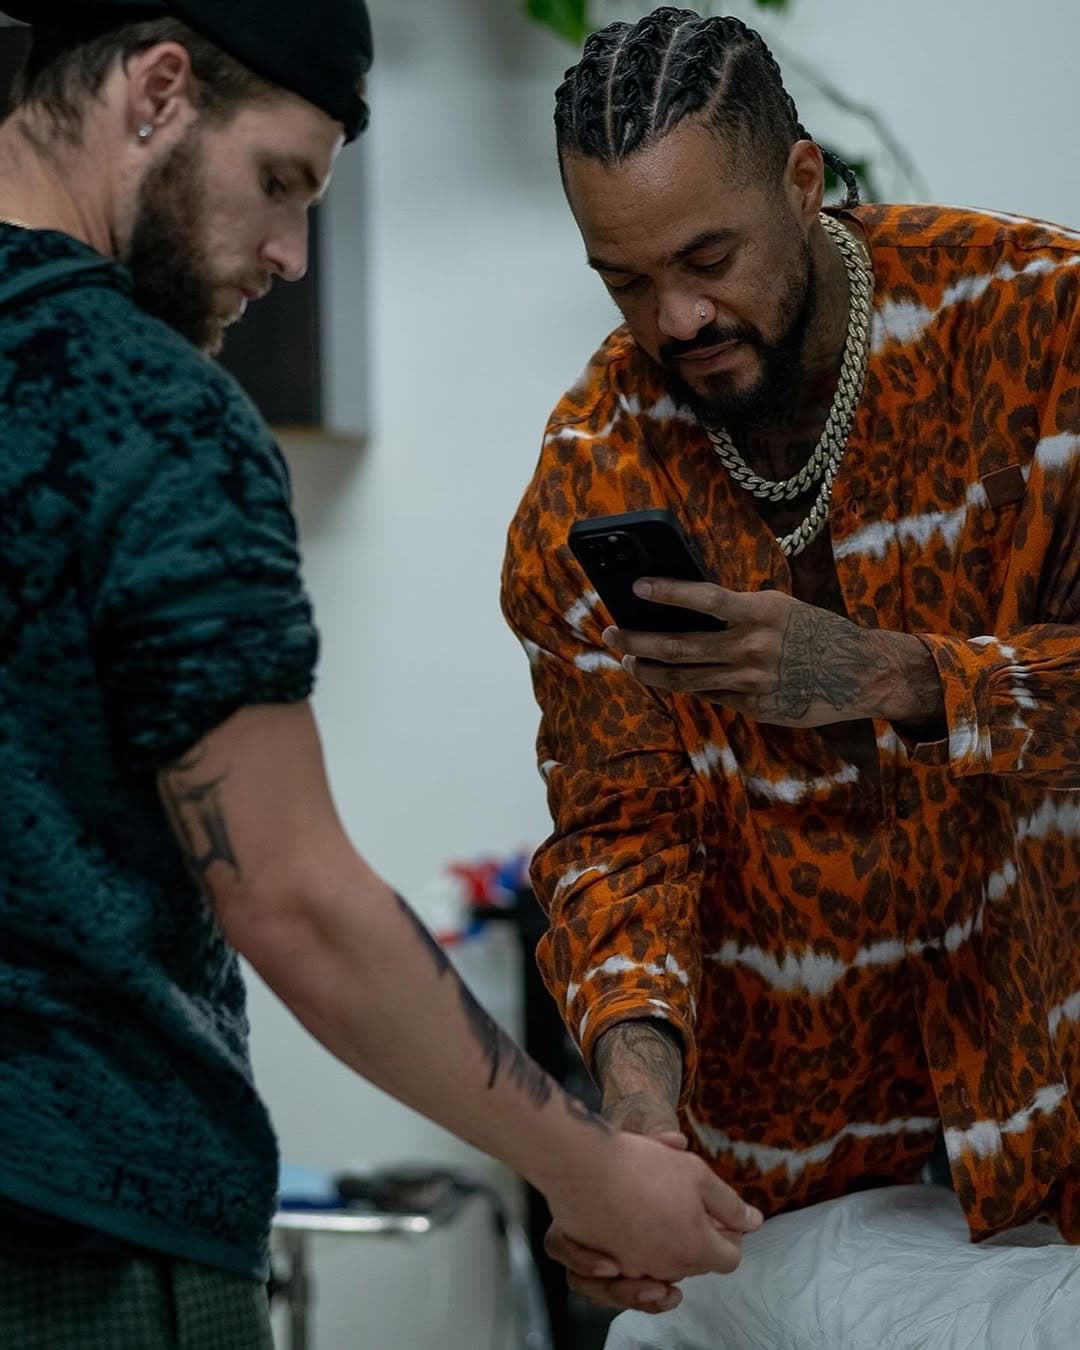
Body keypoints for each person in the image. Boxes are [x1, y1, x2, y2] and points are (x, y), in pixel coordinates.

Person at [0, 4, 763, 1346]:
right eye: (279, 181)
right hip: (82, 1233)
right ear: (158, 91)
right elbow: (293, 896)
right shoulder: (148, 408)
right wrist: (592, 1171)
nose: (290, 255)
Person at [501, 3, 1080, 1316]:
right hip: (799, 1189)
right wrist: (636, 1119)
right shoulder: (594, 475)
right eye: (624, 280)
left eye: (708, 256)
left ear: (804, 179)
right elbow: (620, 839)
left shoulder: (1040, 324)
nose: (677, 317)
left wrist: (896, 677)